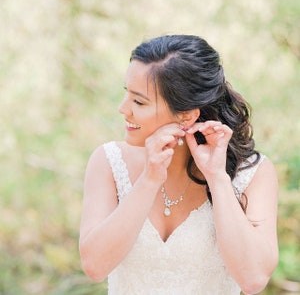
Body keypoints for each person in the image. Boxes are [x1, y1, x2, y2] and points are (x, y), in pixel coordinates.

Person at [79, 35, 278, 295]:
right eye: (126, 94)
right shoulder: (107, 161)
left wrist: (217, 177)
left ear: (186, 116)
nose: (123, 109)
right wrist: (149, 180)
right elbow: (94, 266)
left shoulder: (254, 173)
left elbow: (253, 280)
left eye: (139, 101)